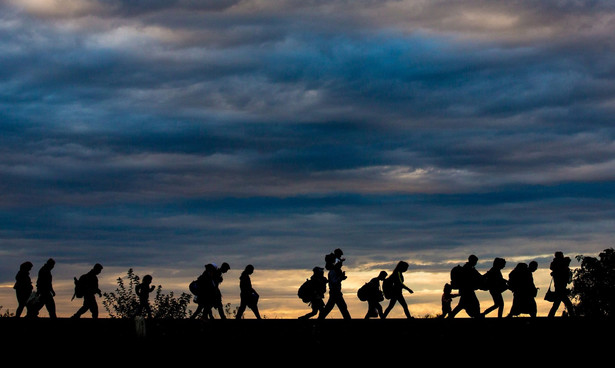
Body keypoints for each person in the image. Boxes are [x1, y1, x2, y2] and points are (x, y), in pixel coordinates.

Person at [319, 250, 351, 319]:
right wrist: (341, 278)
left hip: (335, 292)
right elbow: (334, 282)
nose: (341, 265)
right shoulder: (333, 271)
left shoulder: (333, 269)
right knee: (342, 308)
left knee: (330, 308)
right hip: (335, 292)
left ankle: (319, 320)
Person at [547, 252, 575, 318]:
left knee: (556, 305)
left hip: (558, 288)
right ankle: (572, 316)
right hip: (561, 288)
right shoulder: (560, 266)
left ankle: (550, 316)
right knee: (567, 304)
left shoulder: (556, 266)